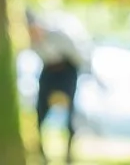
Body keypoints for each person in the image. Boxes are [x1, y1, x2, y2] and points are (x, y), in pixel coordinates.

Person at [27, 10, 92, 165]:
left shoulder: (59, 37)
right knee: (40, 111)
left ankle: (69, 154)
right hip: (49, 71)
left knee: (70, 114)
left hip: (67, 71)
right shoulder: (32, 42)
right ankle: (41, 153)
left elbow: (77, 57)